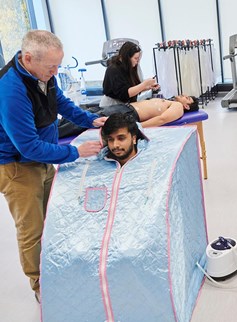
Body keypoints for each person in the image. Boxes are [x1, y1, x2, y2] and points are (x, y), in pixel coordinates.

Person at [0, 30, 107, 303]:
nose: (56, 71)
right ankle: (39, 284)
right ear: (27, 58)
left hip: (44, 158)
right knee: (32, 228)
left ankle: (58, 268)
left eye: (58, 66)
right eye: (52, 67)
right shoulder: (10, 90)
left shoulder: (42, 74)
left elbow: (60, 102)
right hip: (17, 167)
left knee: (54, 216)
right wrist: (74, 152)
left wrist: (90, 120)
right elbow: (28, 146)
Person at [58, 95, 199, 138]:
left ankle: (54, 134)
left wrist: (137, 127)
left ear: (187, 106)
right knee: (83, 112)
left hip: (129, 114)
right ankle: (52, 127)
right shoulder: (170, 101)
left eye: (187, 98)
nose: (183, 96)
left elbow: (161, 119)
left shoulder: (178, 107)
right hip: (124, 107)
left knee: (83, 122)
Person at [101, 41, 159, 106]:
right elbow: (124, 93)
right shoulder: (113, 70)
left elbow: (133, 88)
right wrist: (143, 85)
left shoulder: (129, 67)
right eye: (136, 58)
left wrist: (147, 87)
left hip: (123, 105)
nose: (137, 62)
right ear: (127, 57)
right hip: (111, 106)